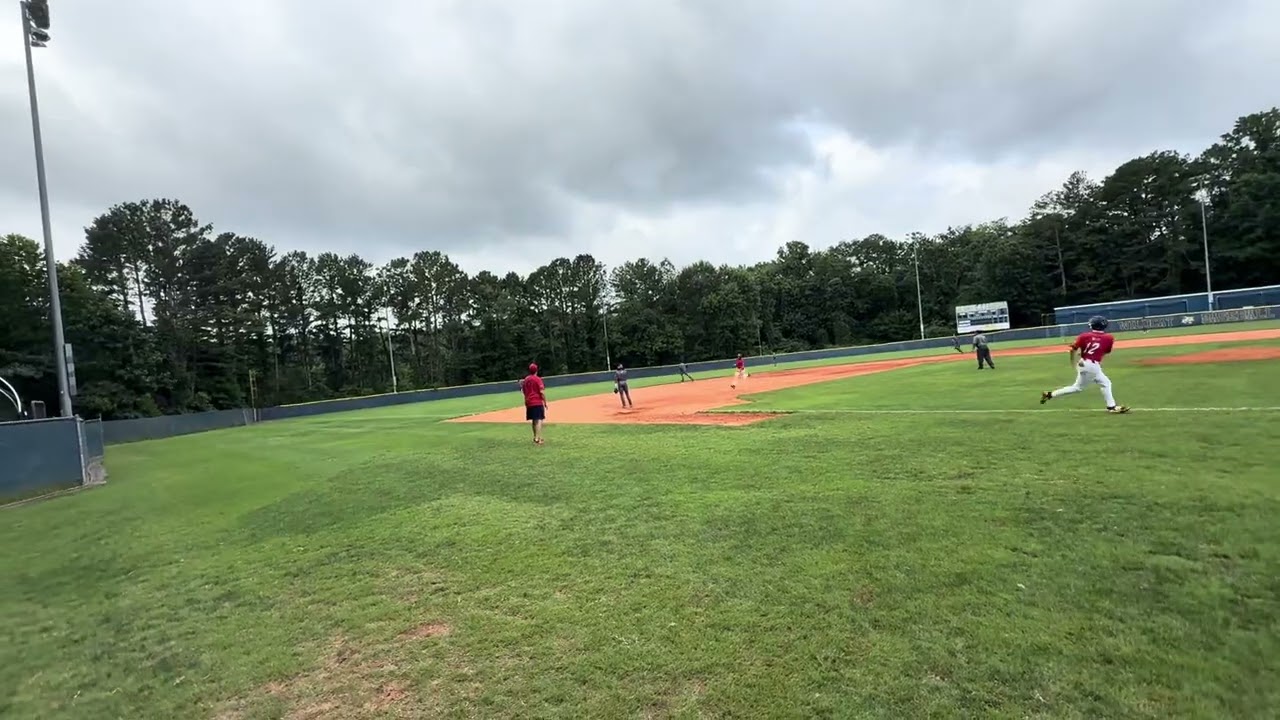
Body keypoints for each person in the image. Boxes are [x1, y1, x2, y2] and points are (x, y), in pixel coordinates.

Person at [1040, 316, 1130, 414]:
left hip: (1085, 363)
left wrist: (1074, 362)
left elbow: (1073, 349)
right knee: (1079, 388)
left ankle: (1111, 406)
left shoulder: (1084, 336)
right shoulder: (1109, 338)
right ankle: (1111, 407)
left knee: (1105, 383)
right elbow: (1105, 351)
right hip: (1092, 365)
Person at [520, 363, 548, 444]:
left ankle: (535, 437)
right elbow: (541, 392)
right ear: (536, 370)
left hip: (529, 402)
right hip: (537, 402)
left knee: (534, 420)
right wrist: (545, 402)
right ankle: (538, 438)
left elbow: (524, 391)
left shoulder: (526, 380)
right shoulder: (537, 379)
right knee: (539, 419)